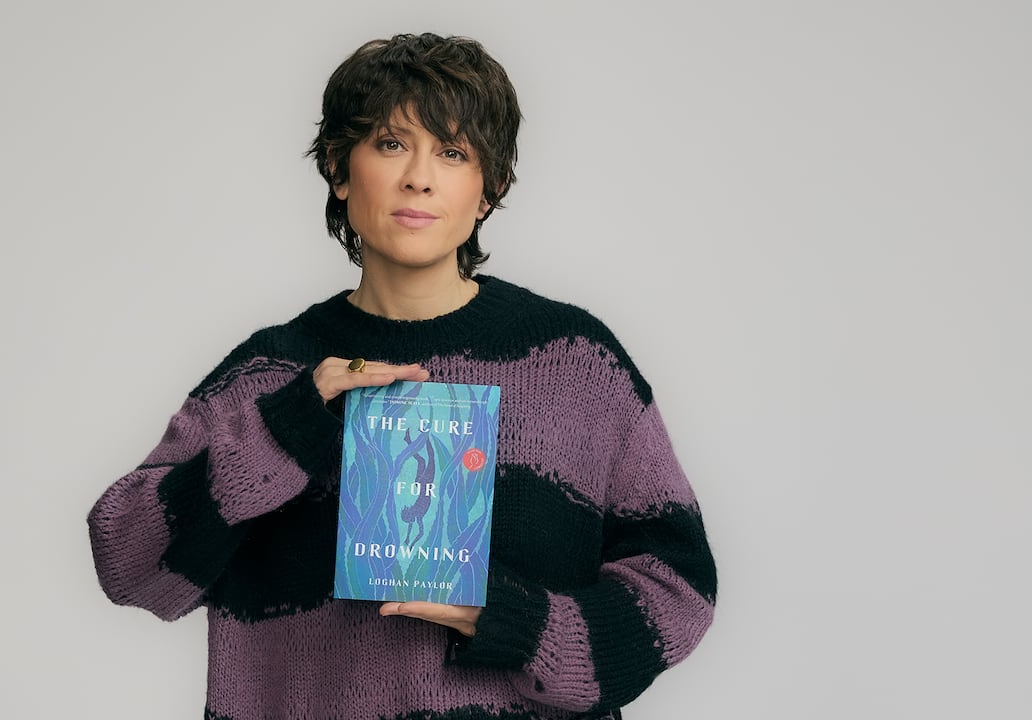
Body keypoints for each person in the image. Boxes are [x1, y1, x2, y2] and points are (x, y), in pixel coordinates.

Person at [87, 32, 716, 720]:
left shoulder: (577, 365)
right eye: (391, 144)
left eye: (453, 153)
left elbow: (678, 588)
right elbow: (126, 563)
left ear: (490, 188)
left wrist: (515, 622)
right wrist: (289, 427)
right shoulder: (268, 375)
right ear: (338, 167)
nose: (419, 176)